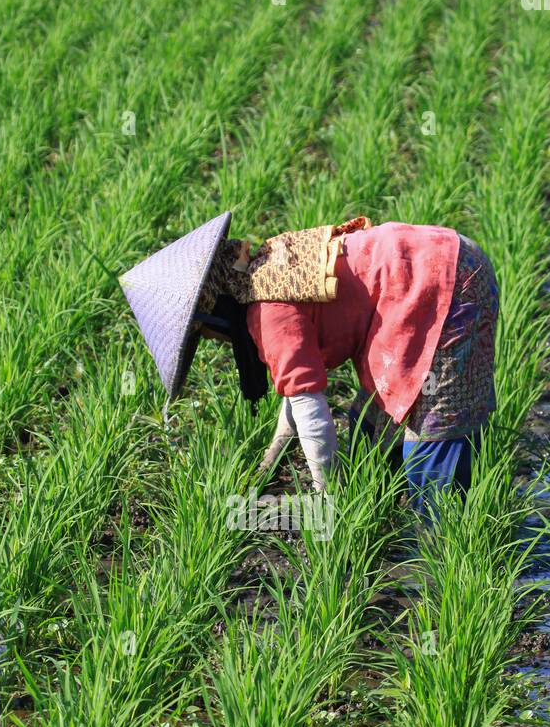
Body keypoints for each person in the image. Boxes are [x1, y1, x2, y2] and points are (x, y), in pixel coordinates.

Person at [119, 212, 498, 517]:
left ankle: (437, 540)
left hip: (443, 283)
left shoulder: (268, 313)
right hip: (433, 263)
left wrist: (326, 498)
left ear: (217, 312)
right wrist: (273, 457)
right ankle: (388, 511)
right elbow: (294, 393)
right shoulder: (264, 275)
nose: (215, 342)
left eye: (207, 333)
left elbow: (310, 409)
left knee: (432, 424)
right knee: (371, 427)